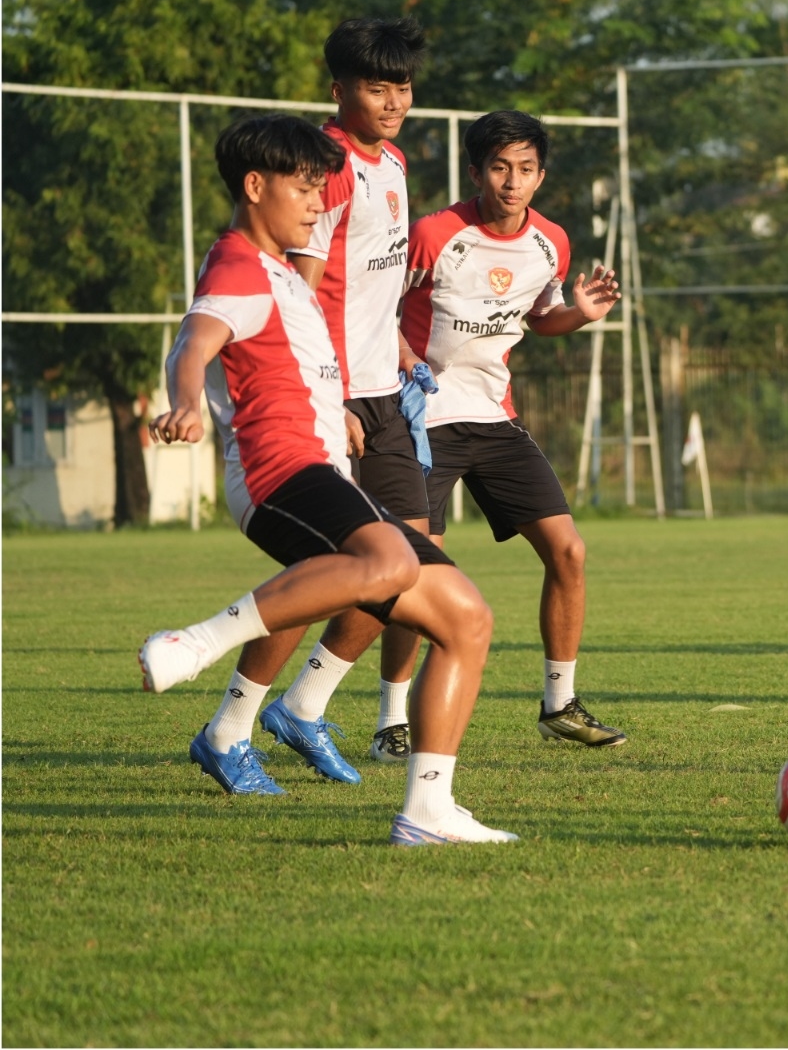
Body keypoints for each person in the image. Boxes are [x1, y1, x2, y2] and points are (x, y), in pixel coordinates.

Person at [140, 113, 514, 844]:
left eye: (321, 187)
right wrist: (186, 400)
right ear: (255, 186)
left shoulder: (283, 271)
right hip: (277, 472)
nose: (318, 202)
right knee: (389, 558)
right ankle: (195, 643)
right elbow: (194, 340)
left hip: (323, 462)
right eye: (305, 188)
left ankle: (427, 812)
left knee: (466, 616)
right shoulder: (237, 262)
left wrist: (335, 407)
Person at [204, 17, 429, 787]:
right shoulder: (322, 170)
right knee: (330, 564)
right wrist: (323, 396)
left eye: (401, 85)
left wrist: (398, 346)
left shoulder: (393, 161)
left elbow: (371, 281)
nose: (393, 100)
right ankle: (231, 725)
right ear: (340, 91)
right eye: (376, 86)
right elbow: (301, 288)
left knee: (402, 565)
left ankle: (305, 704)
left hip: (383, 392)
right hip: (333, 399)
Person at [400, 110, 626, 748]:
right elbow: (377, 312)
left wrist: (578, 314)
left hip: (495, 418)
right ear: (475, 171)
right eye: (499, 167)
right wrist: (404, 367)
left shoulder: (552, 241)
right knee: (417, 571)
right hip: (423, 418)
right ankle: (391, 718)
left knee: (569, 551)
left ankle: (560, 703)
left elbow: (539, 317)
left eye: (525, 169)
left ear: (542, 175)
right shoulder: (433, 235)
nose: (512, 181)